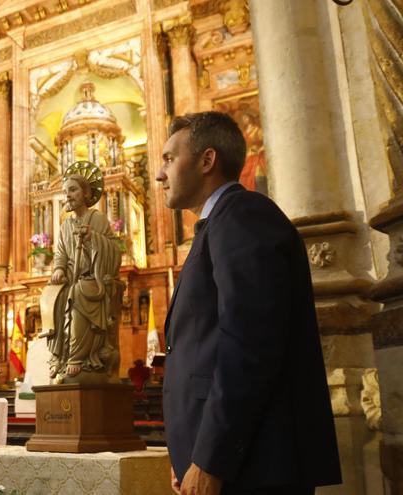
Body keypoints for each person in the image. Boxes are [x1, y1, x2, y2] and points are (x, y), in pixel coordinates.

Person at [157, 111, 341, 495]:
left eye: (169, 158)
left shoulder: (243, 216)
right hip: (232, 465)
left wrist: (210, 459)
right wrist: (188, 454)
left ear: (208, 160)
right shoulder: (219, 225)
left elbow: (248, 347)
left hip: (252, 470)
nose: (160, 174)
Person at [46, 167, 124, 383]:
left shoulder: (96, 218)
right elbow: (60, 253)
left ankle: (78, 356)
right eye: (65, 191)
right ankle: (58, 356)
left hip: (94, 278)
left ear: (86, 194)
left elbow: (112, 250)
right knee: (53, 296)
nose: (68, 195)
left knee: (79, 292)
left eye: (73, 190)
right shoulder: (65, 226)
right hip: (71, 276)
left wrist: (92, 238)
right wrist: (59, 269)